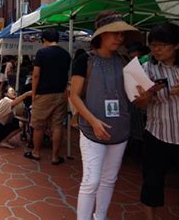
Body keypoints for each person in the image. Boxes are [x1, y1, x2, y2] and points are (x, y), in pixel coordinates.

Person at [69, 11, 138, 219]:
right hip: (92, 130)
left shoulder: (125, 61)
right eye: (115, 33)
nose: (120, 37)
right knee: (91, 181)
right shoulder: (84, 61)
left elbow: (134, 96)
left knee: (109, 180)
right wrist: (93, 121)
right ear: (101, 34)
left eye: (122, 34)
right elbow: (74, 96)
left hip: (120, 130)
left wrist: (145, 96)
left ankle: (100, 216)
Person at [133, 23, 179, 220]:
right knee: (152, 183)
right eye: (153, 45)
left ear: (176, 45)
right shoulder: (146, 69)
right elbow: (140, 104)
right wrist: (145, 96)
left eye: (161, 45)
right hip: (158, 134)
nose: (156, 49)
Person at [27, 29, 71, 165]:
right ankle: (55, 157)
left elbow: (35, 75)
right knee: (57, 126)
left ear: (44, 39)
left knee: (38, 125)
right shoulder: (66, 54)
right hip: (61, 94)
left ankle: (36, 152)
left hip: (43, 93)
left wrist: (34, 93)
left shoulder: (41, 53)